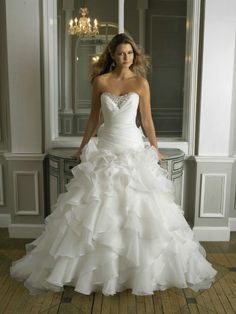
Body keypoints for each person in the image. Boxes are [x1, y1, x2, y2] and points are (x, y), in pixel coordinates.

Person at [10, 33, 217, 296]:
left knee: (139, 209)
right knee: (97, 204)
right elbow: (94, 118)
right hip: (106, 148)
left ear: (134, 55)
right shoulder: (101, 82)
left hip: (132, 147)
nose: (125, 58)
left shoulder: (141, 82)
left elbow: (147, 120)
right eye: (120, 53)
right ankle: (93, 272)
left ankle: (136, 271)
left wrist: (155, 148)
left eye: (129, 53)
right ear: (112, 55)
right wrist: (82, 146)